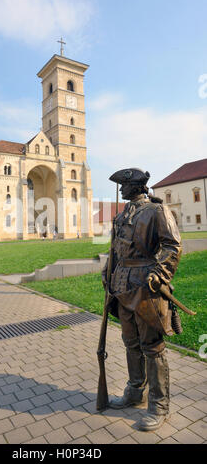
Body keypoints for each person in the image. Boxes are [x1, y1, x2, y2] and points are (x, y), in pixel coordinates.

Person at [101, 168, 181, 431]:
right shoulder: (122, 215)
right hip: (123, 285)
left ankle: (159, 404)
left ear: (136, 186)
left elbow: (172, 245)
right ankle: (136, 391)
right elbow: (115, 249)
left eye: (124, 185)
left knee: (152, 346)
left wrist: (160, 272)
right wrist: (108, 272)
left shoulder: (157, 211)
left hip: (146, 286)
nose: (121, 189)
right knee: (130, 342)